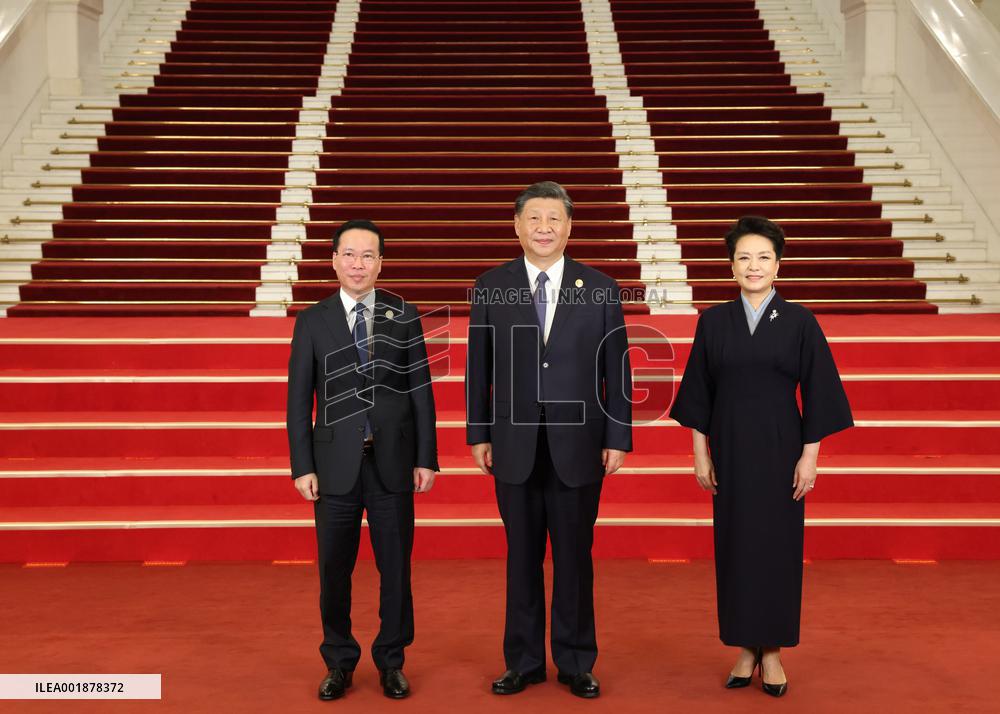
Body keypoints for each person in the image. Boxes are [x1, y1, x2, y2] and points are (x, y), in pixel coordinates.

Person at [670, 215, 853, 698]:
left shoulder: (800, 322)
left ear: (779, 265)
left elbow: (819, 393)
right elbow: (698, 394)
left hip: (779, 450)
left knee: (775, 549)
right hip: (728, 449)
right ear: (731, 267)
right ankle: (744, 647)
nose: (754, 266)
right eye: (744, 258)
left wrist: (809, 457)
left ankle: (771, 651)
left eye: (764, 257)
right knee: (734, 548)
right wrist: (699, 454)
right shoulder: (713, 321)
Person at [465, 181, 633, 699]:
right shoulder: (492, 287)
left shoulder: (600, 289)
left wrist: (618, 436)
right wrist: (478, 432)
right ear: (516, 226)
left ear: (568, 227)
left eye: (553, 218)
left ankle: (577, 660)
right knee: (521, 558)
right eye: (533, 218)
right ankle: (523, 661)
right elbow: (478, 368)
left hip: (579, 444)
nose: (543, 228)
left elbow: (617, 370)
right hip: (512, 443)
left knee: (575, 558)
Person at [286, 218, 439, 701]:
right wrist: (302, 466)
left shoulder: (404, 315)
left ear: (380, 263)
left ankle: (392, 660)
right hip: (333, 468)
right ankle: (339, 660)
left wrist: (426, 458)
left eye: (368, 255)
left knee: (396, 570)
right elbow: (297, 401)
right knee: (335, 570)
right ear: (334, 261)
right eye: (349, 254)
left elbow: (421, 392)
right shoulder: (313, 320)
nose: (358, 264)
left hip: (392, 464)